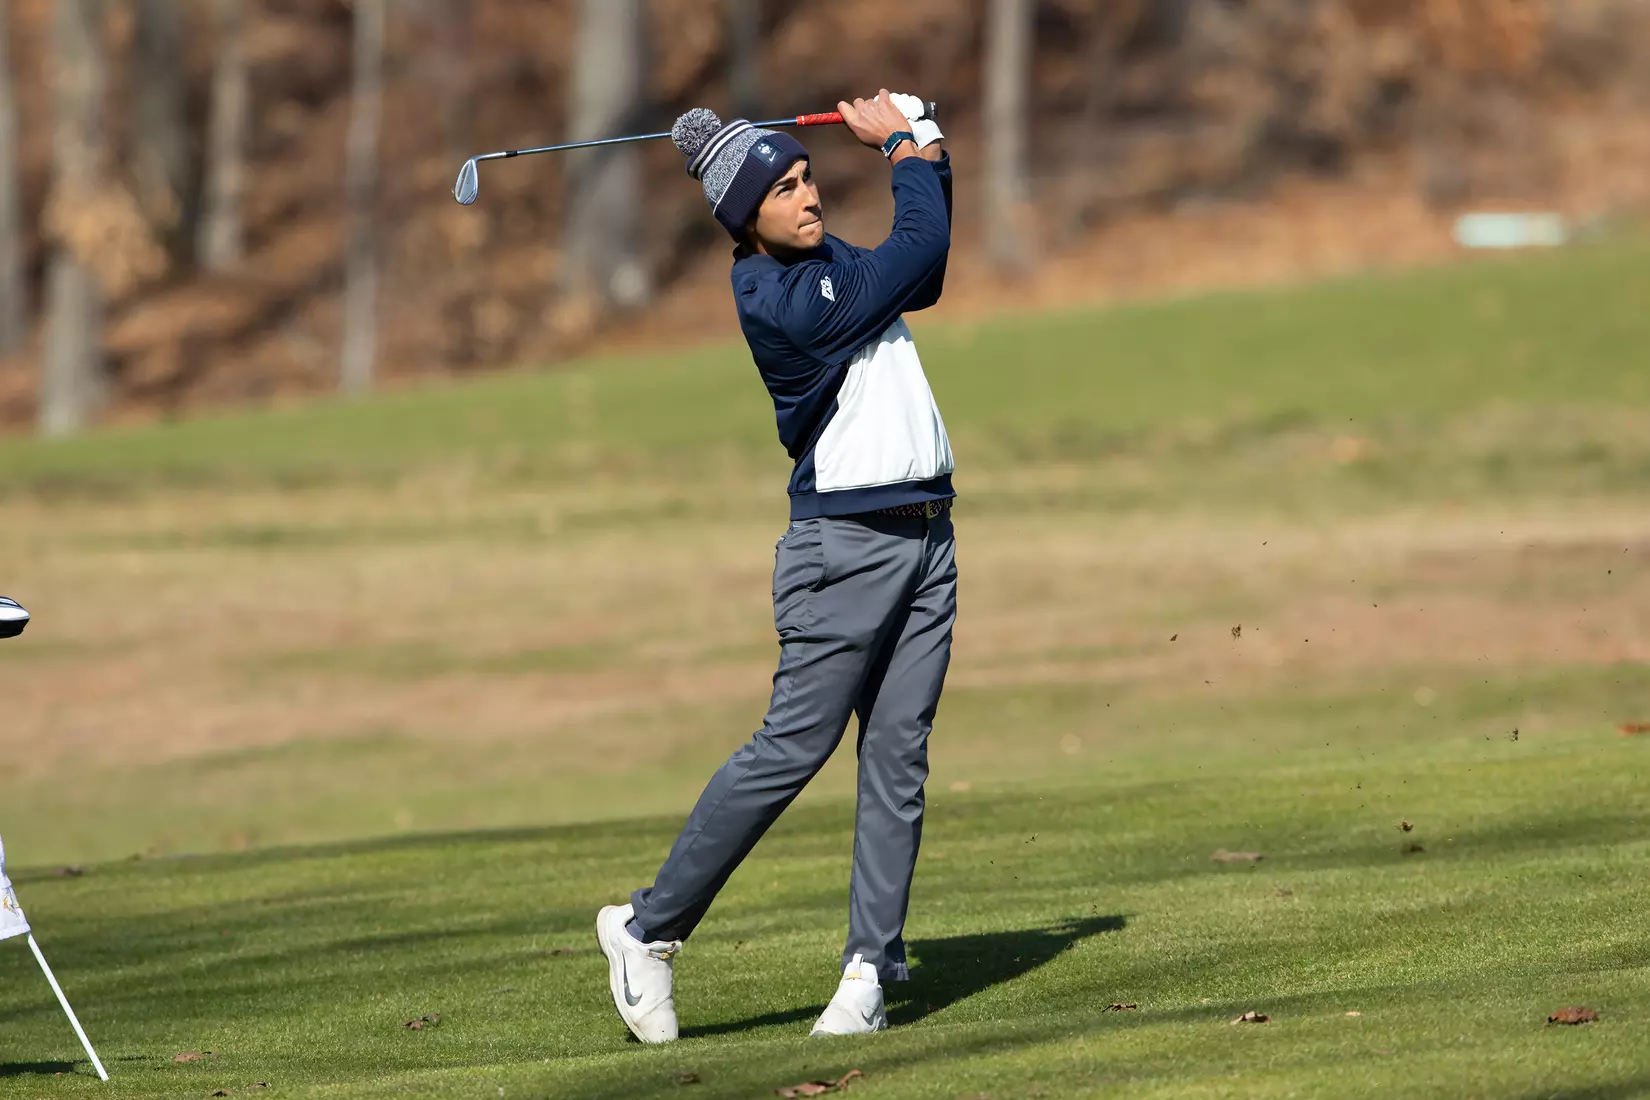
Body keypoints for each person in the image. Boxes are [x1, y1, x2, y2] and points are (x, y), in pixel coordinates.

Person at [595, 89, 957, 1043]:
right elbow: (912, 256)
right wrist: (907, 153)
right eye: (785, 190)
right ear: (743, 220)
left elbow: (921, 273)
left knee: (897, 758)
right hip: (846, 551)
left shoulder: (826, 262)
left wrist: (929, 149)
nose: (809, 199)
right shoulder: (779, 297)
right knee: (793, 747)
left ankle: (871, 967)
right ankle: (646, 930)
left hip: (927, 539)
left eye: (805, 180)